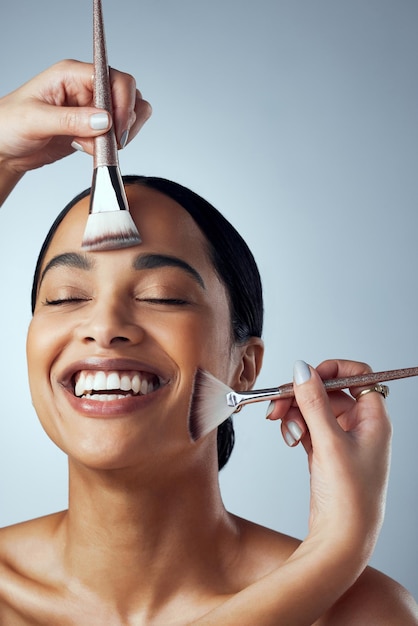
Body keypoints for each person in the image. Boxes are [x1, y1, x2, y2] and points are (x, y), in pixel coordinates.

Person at [0, 60, 417, 626]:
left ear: (246, 366)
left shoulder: (362, 614)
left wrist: (334, 559)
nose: (105, 325)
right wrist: (335, 549)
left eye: (164, 295)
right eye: (66, 297)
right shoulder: (328, 573)